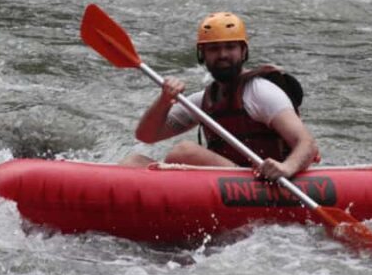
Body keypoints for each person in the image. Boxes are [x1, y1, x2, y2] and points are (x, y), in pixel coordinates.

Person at [121, 12, 319, 181]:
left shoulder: (261, 92)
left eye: (230, 47)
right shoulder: (204, 100)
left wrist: (286, 168)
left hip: (263, 182)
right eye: (214, 49)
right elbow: (146, 136)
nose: (222, 54)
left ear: (243, 52)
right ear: (203, 55)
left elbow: (307, 143)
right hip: (226, 183)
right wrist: (165, 100)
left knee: (184, 152)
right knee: (133, 162)